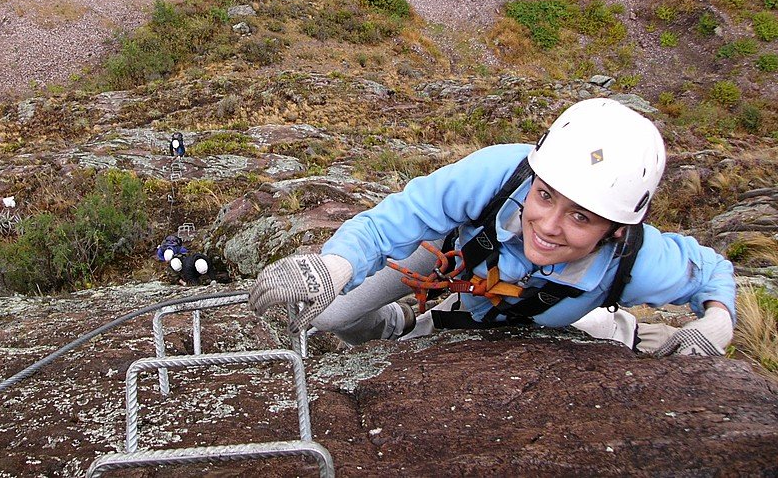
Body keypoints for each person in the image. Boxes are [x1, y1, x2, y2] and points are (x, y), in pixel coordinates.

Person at [249, 98, 736, 357]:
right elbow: (393, 221)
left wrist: (716, 323)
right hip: (452, 258)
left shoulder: (637, 261)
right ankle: (392, 323)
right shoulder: (498, 174)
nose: (546, 225)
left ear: (614, 230)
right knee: (331, 317)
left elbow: (712, 273)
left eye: (581, 216)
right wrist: (334, 267)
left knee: (590, 332)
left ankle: (613, 326)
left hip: (515, 318)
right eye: (545, 196)